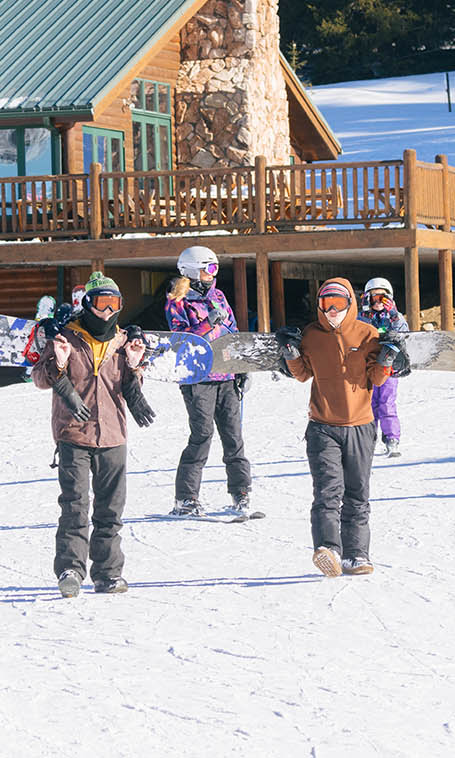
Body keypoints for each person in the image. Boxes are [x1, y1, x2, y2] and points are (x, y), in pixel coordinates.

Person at [32, 274, 152, 597]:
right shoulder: (67, 338)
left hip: (113, 436)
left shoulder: (123, 342)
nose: (108, 311)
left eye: (114, 304)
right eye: (102, 303)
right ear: (88, 303)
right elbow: (40, 378)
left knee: (111, 510)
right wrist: (58, 361)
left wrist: (135, 367)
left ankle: (108, 573)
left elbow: (129, 387)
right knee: (75, 506)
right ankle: (70, 569)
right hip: (73, 434)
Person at [281, 278, 395, 578]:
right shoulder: (311, 335)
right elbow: (303, 374)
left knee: (357, 492)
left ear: (350, 304)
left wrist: (387, 359)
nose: (332, 311)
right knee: (328, 491)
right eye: (326, 304)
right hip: (323, 427)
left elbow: (378, 378)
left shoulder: (367, 334)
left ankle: (356, 555)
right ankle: (328, 549)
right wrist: (291, 353)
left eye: (339, 304)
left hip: (360, 426)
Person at [165, 245, 253, 518]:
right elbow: (181, 339)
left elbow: (232, 332)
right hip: (198, 378)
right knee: (202, 436)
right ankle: (185, 498)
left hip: (225, 375)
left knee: (233, 437)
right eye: (208, 269)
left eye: (215, 268)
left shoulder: (218, 296)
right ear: (192, 270)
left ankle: (241, 493)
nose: (213, 274)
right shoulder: (177, 301)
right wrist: (207, 324)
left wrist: (241, 368)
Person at [360, 278, 409, 458]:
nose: (378, 302)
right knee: (369, 404)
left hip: (390, 367)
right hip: (369, 368)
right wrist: (365, 315)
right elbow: (355, 332)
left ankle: (391, 438)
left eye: (383, 298)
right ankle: (368, 439)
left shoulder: (395, 316)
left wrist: (394, 315)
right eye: (374, 298)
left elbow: (404, 332)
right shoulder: (362, 317)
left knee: (387, 403)